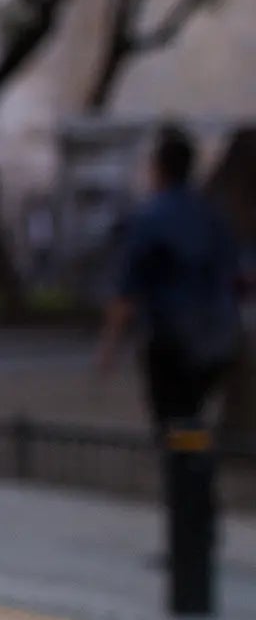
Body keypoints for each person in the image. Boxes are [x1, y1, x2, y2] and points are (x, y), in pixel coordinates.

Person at [96, 123, 246, 428]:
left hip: (172, 339)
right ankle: (195, 462)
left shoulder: (149, 218)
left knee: (174, 418)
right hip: (217, 337)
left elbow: (127, 288)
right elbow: (236, 273)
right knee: (190, 415)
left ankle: (187, 468)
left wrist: (109, 347)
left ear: (159, 168)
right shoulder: (211, 214)